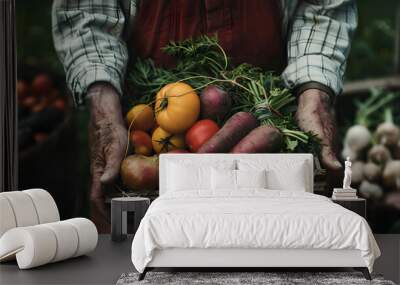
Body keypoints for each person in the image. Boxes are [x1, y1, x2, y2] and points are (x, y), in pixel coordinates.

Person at [52, 0, 357, 228]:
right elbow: (85, 11)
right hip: (135, 121)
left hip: (271, 101)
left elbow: (324, 5)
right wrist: (105, 112)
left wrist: (314, 96)